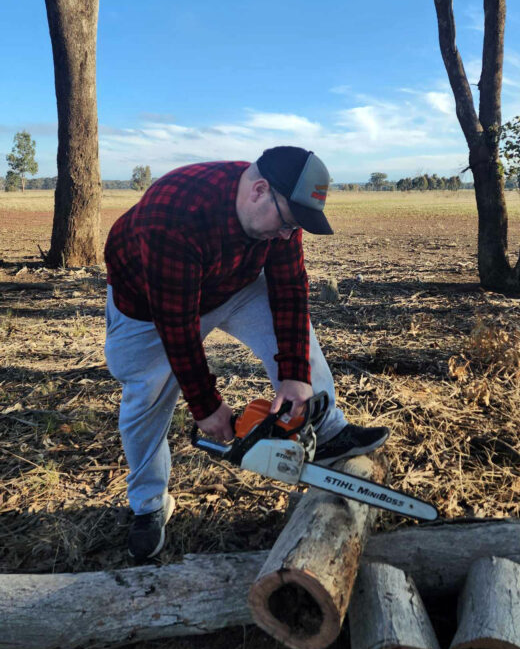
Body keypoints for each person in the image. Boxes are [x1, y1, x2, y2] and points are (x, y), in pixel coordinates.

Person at [104, 146, 388, 563]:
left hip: (232, 283)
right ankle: (148, 506)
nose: (289, 236)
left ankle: (328, 430)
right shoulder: (177, 213)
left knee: (301, 347)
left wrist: (295, 375)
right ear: (259, 190)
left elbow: (290, 291)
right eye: (288, 223)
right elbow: (177, 326)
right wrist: (206, 406)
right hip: (150, 307)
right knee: (144, 397)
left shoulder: (279, 223)